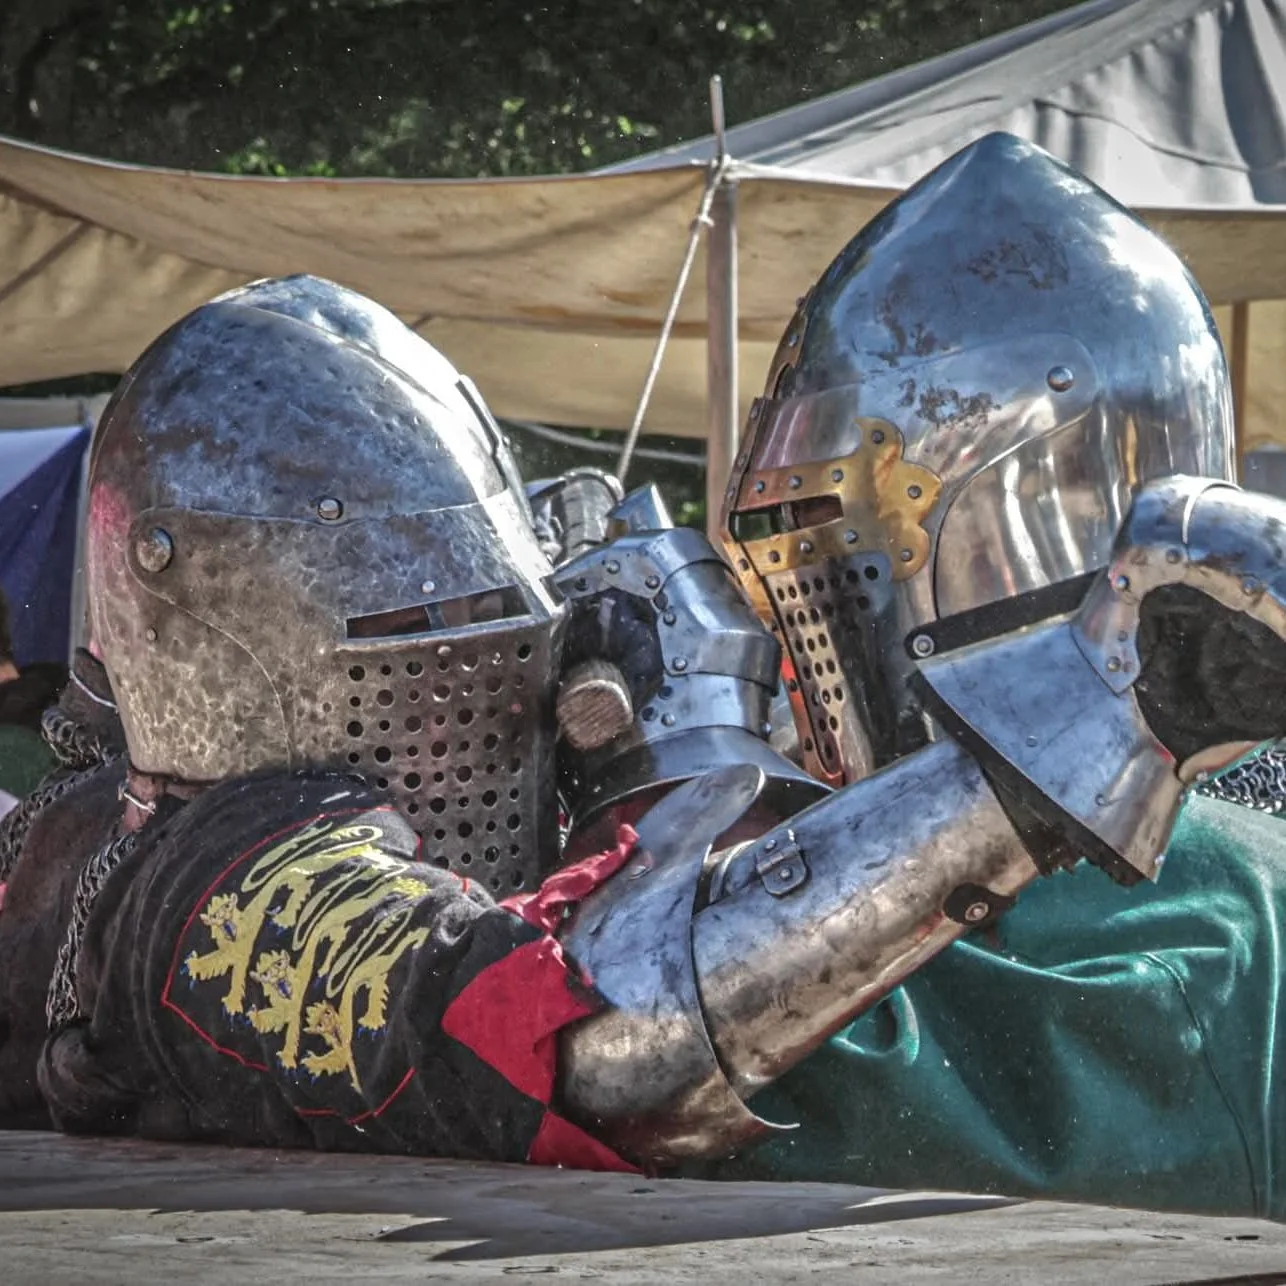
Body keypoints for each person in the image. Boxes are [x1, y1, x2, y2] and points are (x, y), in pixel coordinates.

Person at [0, 146, 1281, 1210]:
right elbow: (586, 1031)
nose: (483, 689)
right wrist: (1077, 723)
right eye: (423, 632)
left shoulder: (1172, 908)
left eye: (502, 627)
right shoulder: (196, 886)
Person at [703, 132, 1286, 1221]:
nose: (795, 582)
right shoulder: (1252, 819)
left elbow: (682, 1081)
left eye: (830, 527)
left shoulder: (1169, 905)